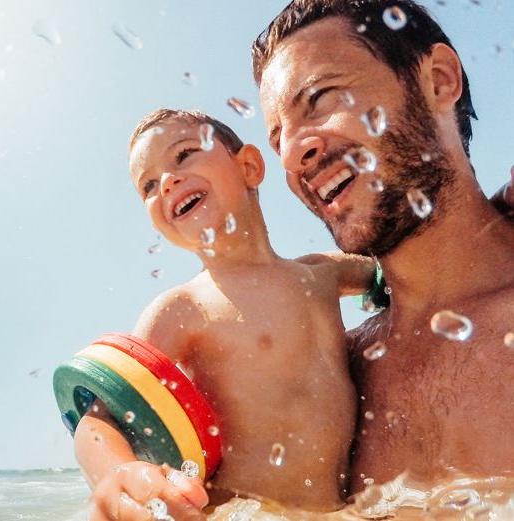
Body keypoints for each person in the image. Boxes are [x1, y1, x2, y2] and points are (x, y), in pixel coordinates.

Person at [252, 0, 514, 496]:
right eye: (277, 138)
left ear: (438, 80)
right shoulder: (335, 381)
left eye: (322, 97)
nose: (292, 154)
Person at [75, 109, 378, 521]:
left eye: (183, 155)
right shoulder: (183, 308)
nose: (167, 182)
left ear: (249, 166)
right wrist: (119, 473)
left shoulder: (322, 275)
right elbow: (98, 418)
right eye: (148, 185)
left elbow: (400, 268)